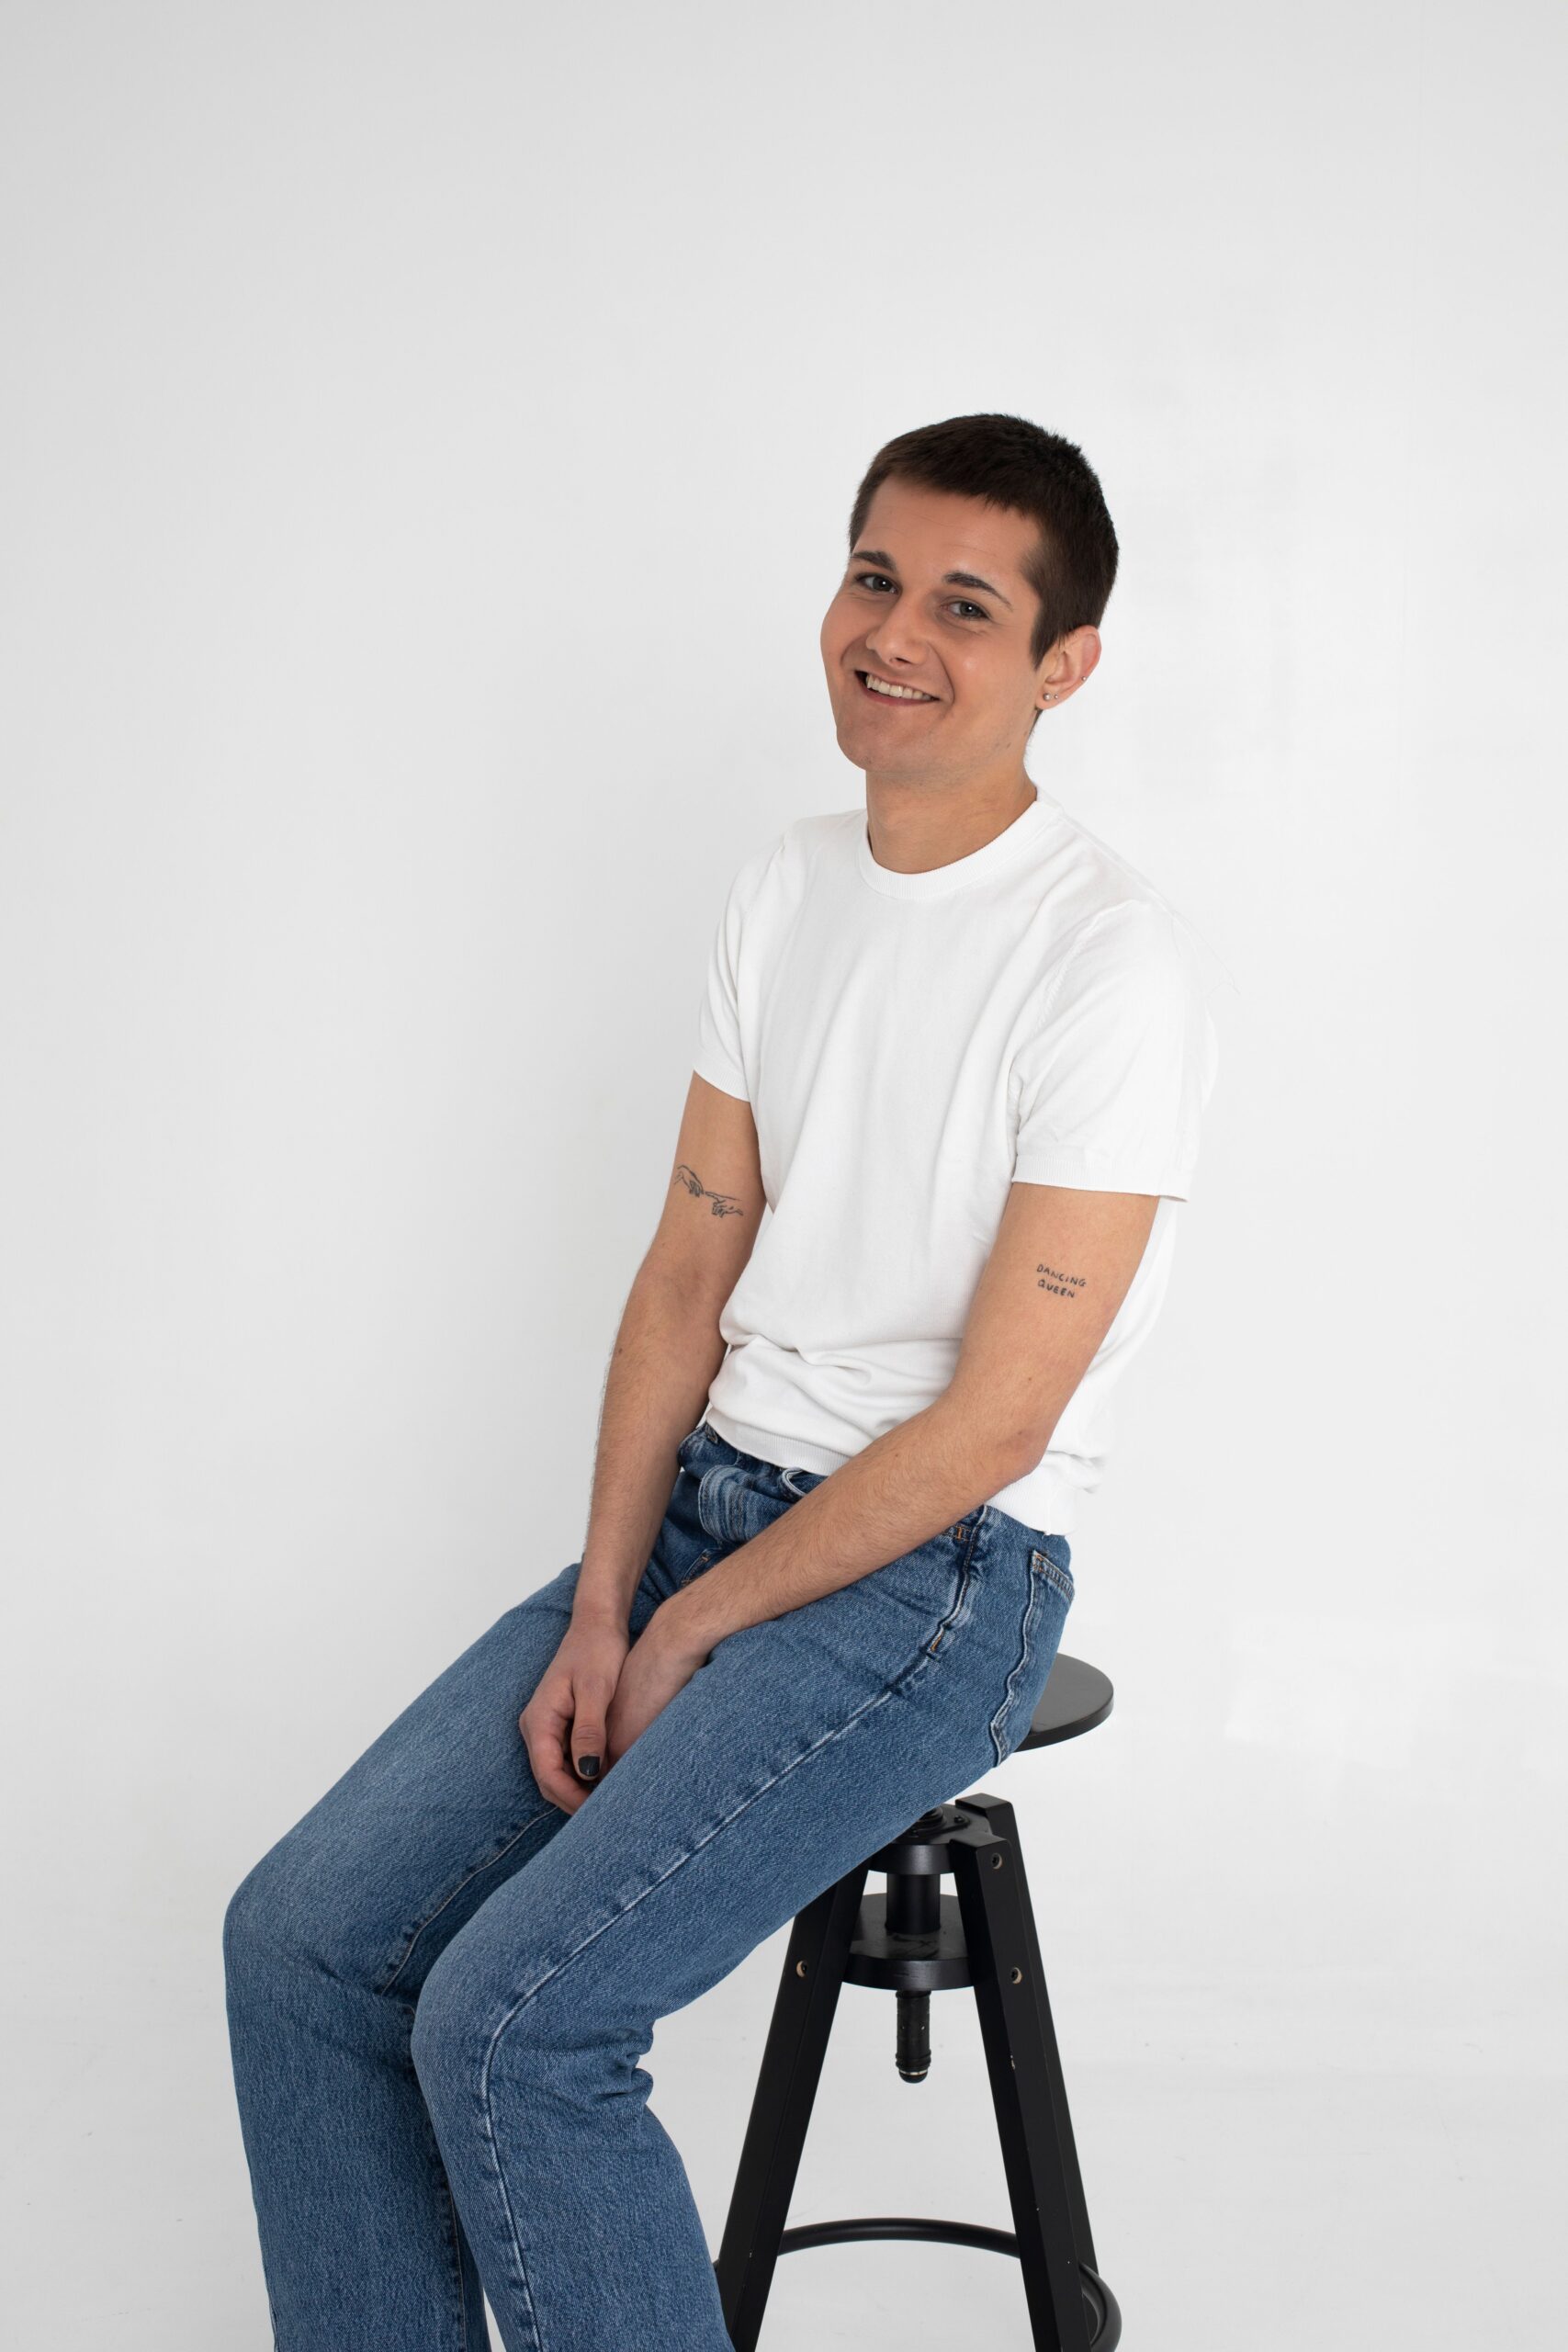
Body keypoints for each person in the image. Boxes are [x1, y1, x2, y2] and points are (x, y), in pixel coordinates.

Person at [222, 410, 1220, 2351]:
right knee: (303, 1943)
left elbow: (997, 1420)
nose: (894, 634)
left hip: (938, 1578)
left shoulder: (1110, 963)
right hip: (709, 1515)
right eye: (871, 578)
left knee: (516, 2023)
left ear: (1063, 663)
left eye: (964, 605)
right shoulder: (785, 886)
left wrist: (691, 1626)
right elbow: (689, 1268)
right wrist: (610, 1600)